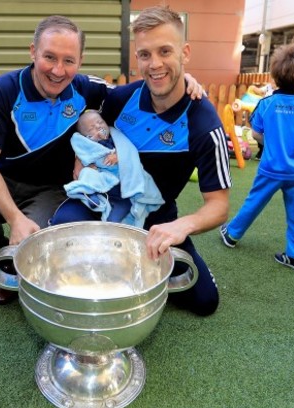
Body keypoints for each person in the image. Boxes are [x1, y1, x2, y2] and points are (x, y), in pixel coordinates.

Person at [0, 15, 204, 305]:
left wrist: (184, 78)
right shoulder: (4, 90)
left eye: (69, 60)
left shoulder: (84, 88)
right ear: (33, 52)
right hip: (1, 178)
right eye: (49, 57)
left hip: (52, 190)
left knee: (44, 245)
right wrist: (14, 219)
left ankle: (14, 264)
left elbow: (143, 90)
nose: (58, 70)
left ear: (80, 61)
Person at [50, 6, 231, 316]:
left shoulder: (203, 122)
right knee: (64, 230)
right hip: (108, 201)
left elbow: (218, 205)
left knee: (203, 301)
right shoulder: (121, 98)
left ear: (185, 52)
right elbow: (69, 86)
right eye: (145, 54)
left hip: (158, 219)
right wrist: (84, 158)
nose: (155, 64)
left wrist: (180, 227)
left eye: (165, 51)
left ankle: (130, 267)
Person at [219, 44, 294, 272]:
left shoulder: (266, 104)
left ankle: (232, 235)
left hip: (270, 168)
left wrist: (270, 142)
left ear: (275, 76)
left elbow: (257, 133)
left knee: (254, 202)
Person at [59, 109, 163, 225]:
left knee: (115, 220)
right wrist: (89, 164)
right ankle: (89, 194)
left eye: (100, 122)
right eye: (92, 128)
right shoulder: (90, 144)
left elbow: (128, 151)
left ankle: (114, 221)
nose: (98, 126)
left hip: (121, 188)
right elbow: (86, 154)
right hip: (103, 179)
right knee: (87, 173)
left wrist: (119, 155)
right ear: (87, 136)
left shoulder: (117, 138)